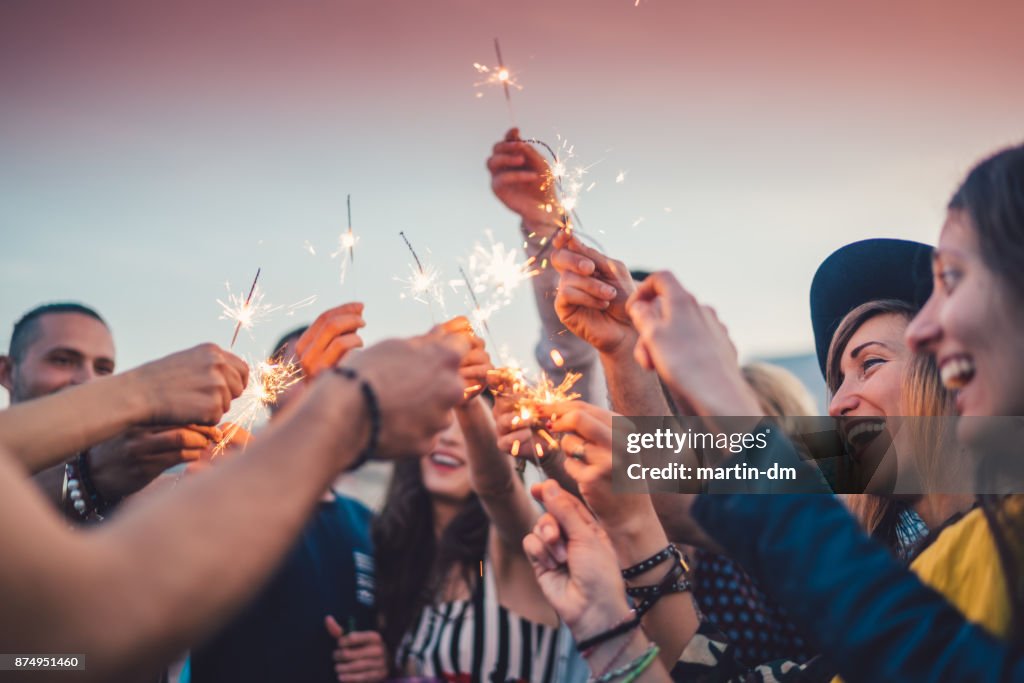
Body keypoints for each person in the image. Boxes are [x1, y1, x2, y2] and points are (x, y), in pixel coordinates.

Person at [619, 142, 1024, 681]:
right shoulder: (873, 461)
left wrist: (724, 395)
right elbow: (672, 490)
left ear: (939, 372)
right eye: (836, 379)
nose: (836, 401)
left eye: (870, 363)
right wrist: (621, 351)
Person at [0, 328, 469, 682]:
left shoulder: (364, 522)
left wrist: (380, 655)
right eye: (315, 376)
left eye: (104, 369)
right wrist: (347, 407)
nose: (84, 381)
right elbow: (53, 649)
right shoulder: (200, 489)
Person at [188, 304, 387, 683]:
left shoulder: (367, 523)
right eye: (305, 369)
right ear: (268, 389)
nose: (323, 382)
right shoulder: (219, 493)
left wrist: (380, 656)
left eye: (341, 372)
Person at [371, 318, 563, 682]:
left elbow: (498, 488)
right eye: (442, 419)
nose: (448, 438)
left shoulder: (514, 546)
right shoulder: (404, 554)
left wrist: (467, 402)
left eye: (467, 428)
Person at [0, 302, 219, 519]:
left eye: (103, 369)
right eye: (63, 360)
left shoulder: (136, 490)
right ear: (8, 372)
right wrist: (89, 479)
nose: (89, 382)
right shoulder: (106, 478)